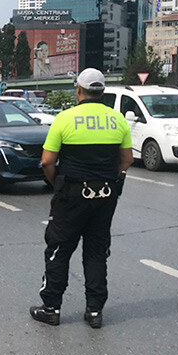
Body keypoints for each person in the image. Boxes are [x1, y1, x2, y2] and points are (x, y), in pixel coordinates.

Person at [29, 68, 132, 329]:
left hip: (72, 195)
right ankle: (95, 311)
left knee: (59, 249)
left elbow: (47, 161)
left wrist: (57, 184)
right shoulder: (117, 120)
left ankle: (51, 307)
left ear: (78, 90)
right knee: (97, 252)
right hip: (106, 195)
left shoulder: (64, 119)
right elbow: (127, 160)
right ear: (102, 92)